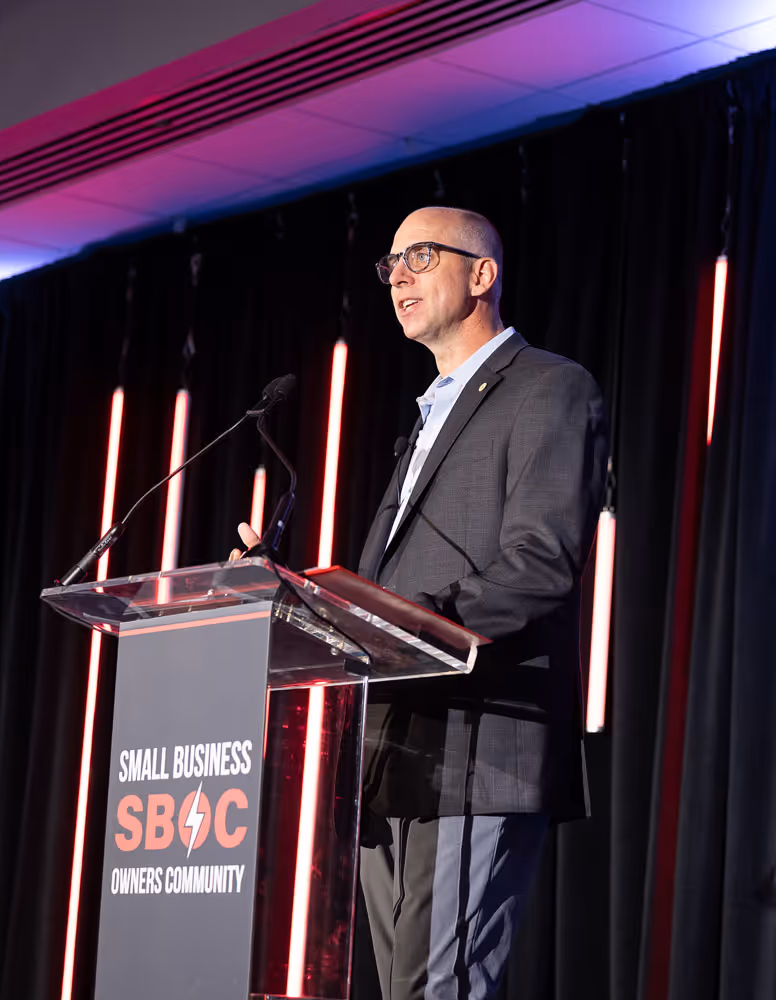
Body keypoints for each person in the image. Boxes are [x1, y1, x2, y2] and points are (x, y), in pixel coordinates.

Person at [233, 207, 607, 1000]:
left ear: (482, 274)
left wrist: (407, 621)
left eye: (421, 256)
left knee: (438, 991)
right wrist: (278, 594)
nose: (397, 274)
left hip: (479, 745)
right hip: (391, 752)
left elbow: (543, 561)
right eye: (390, 262)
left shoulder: (549, 387)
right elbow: (385, 594)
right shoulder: (427, 417)